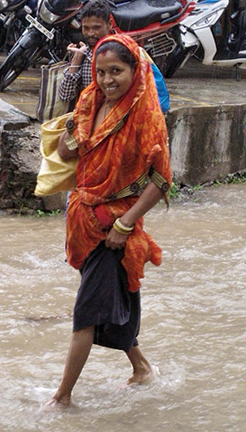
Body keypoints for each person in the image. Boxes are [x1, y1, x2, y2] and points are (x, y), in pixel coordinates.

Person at [48, 34, 172, 406]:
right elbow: (65, 151)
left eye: (116, 71)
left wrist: (126, 224)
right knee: (108, 299)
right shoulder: (91, 101)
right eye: (101, 72)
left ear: (135, 70)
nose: (107, 80)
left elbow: (162, 180)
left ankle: (62, 398)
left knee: (85, 314)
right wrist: (70, 137)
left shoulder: (147, 116)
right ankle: (142, 368)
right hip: (85, 223)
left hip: (113, 230)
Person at [58, 0, 170, 113]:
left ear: (109, 24)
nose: (90, 33)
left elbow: (150, 93)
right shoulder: (83, 55)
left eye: (96, 28)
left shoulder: (128, 52)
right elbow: (65, 96)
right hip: (91, 121)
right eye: (86, 28)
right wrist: (76, 61)